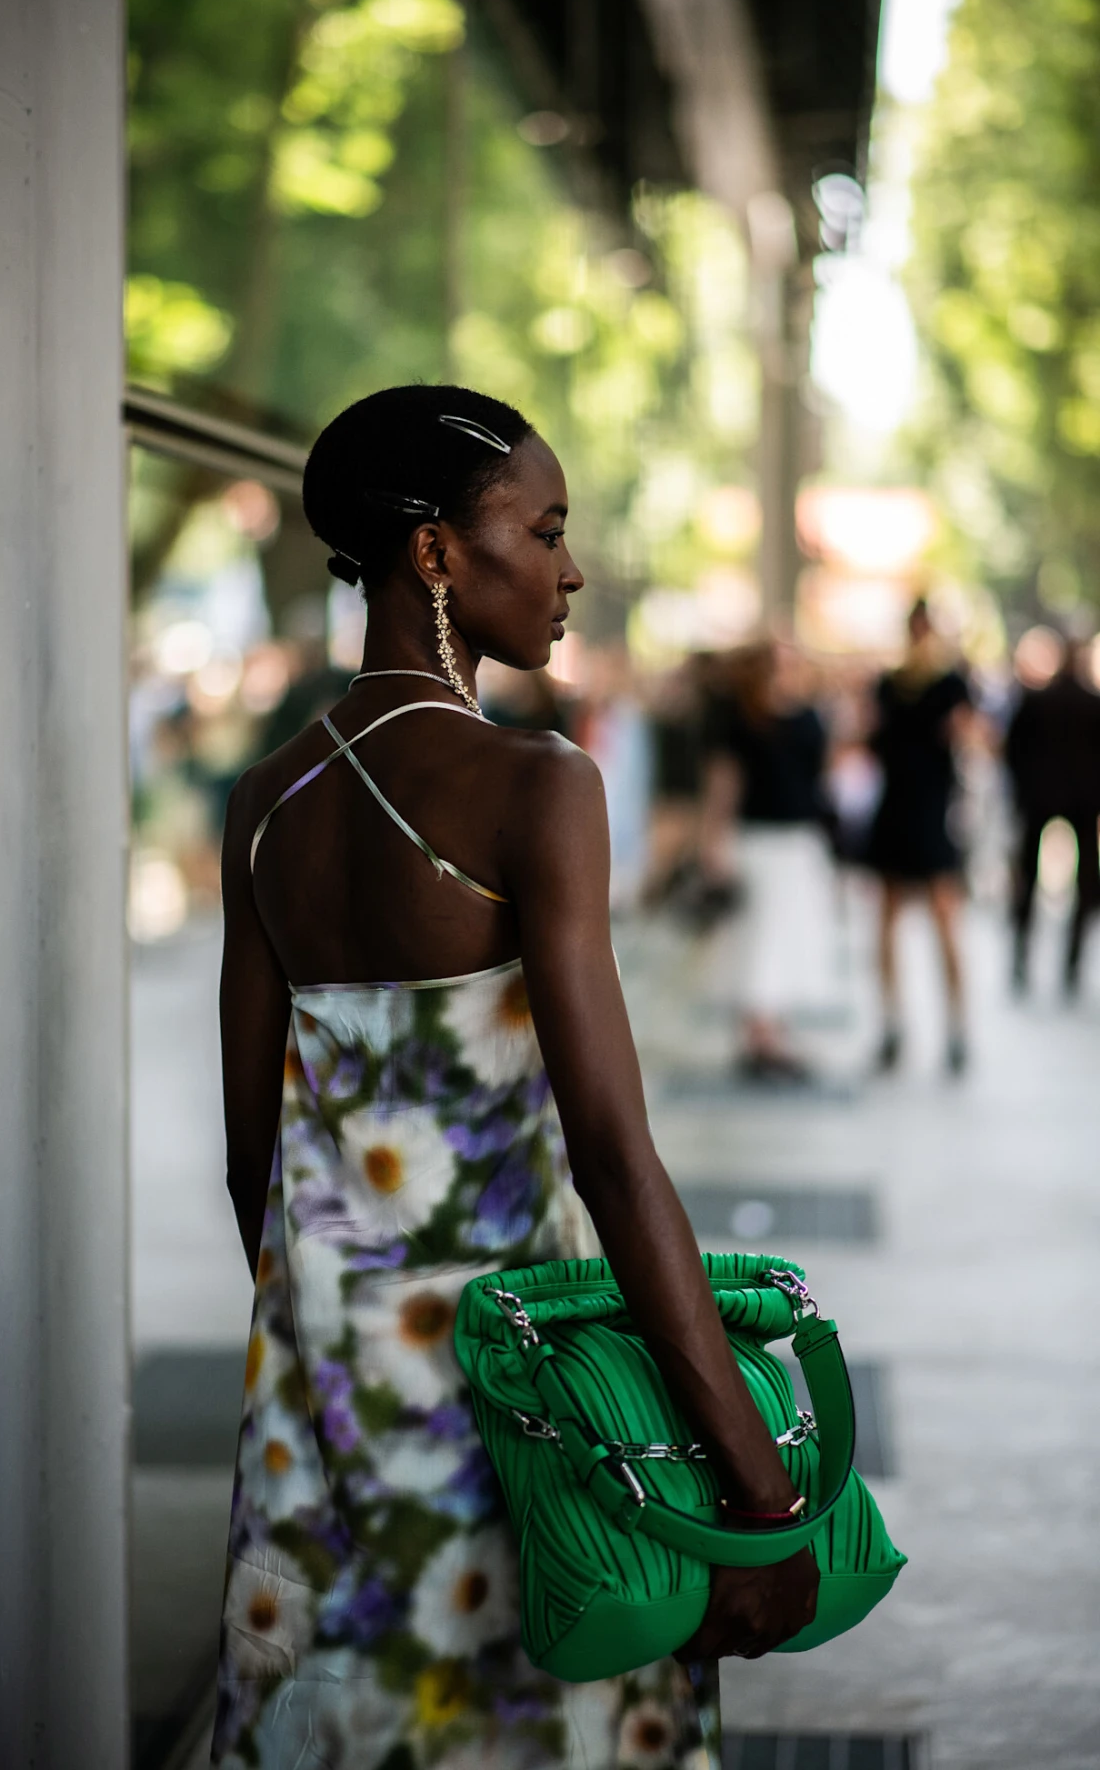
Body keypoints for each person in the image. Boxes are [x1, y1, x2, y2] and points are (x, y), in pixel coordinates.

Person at [212, 385, 817, 1768]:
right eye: (540, 531)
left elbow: (253, 1166)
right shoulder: (537, 787)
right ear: (434, 553)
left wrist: (345, 1340)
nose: (570, 569)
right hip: (530, 1416)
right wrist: (758, 1488)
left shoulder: (265, 807)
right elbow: (612, 1155)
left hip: (323, 1419)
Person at [698, 640, 837, 1082]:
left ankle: (772, 1032)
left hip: (799, 841)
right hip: (756, 841)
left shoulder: (811, 717)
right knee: (756, 940)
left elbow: (823, 775)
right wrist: (713, 842)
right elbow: (724, 786)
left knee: (790, 939)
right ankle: (758, 1036)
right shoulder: (742, 721)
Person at [866, 598, 973, 1075]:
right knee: (899, 922)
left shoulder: (939, 684)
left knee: (939, 921)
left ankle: (950, 1025)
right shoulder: (897, 684)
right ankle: (898, 1021)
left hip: (924, 811)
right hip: (908, 811)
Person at [1005, 630, 1100, 995]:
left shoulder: (1038, 701)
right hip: (1078, 802)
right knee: (1083, 885)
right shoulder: (1090, 703)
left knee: (1029, 881)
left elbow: (1014, 751)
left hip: (1042, 800)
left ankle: (1022, 961)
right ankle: (1070, 966)